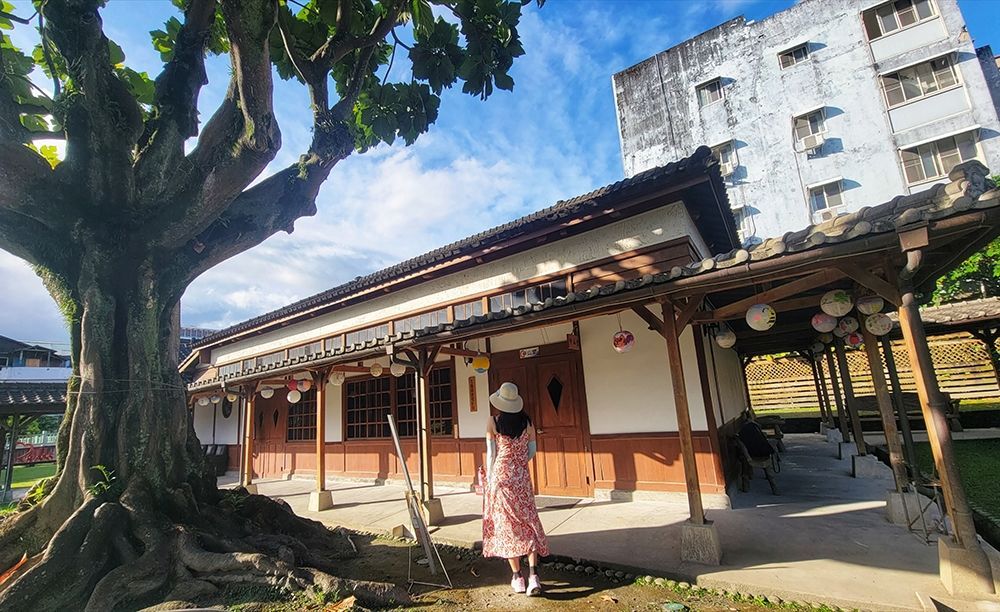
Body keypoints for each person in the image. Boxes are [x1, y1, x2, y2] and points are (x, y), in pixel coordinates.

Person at [482, 382, 550, 596]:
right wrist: (518, 463)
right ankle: (534, 576)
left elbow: (491, 454)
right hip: (521, 477)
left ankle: (517, 578)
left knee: (507, 526)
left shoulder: (493, 422)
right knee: (528, 522)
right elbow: (532, 451)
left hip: (501, 477)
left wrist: (491, 478)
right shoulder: (527, 422)